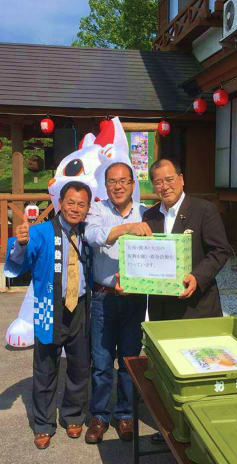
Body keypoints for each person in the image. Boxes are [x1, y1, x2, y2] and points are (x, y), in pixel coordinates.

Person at [4, 181, 93, 450]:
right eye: (70, 202)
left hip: (81, 306)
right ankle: (43, 424)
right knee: (45, 367)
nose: (75, 208)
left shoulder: (90, 232)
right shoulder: (40, 232)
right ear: (60, 203)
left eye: (81, 204)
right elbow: (19, 261)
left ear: (88, 208)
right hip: (48, 307)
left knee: (79, 366)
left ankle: (73, 416)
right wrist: (21, 243)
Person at [84, 162, 151, 444]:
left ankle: (125, 415)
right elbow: (92, 236)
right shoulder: (97, 210)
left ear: (133, 184)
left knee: (128, 360)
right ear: (106, 185)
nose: (118, 186)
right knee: (101, 362)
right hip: (104, 297)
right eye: (112, 181)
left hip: (135, 298)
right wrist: (128, 228)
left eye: (124, 181)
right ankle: (99, 416)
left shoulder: (146, 212)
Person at [139, 158, 232, 320]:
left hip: (197, 305)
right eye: (158, 182)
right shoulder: (149, 215)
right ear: (153, 185)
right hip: (160, 307)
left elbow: (220, 250)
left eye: (169, 179)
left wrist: (197, 276)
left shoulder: (204, 210)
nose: (165, 186)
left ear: (181, 179)